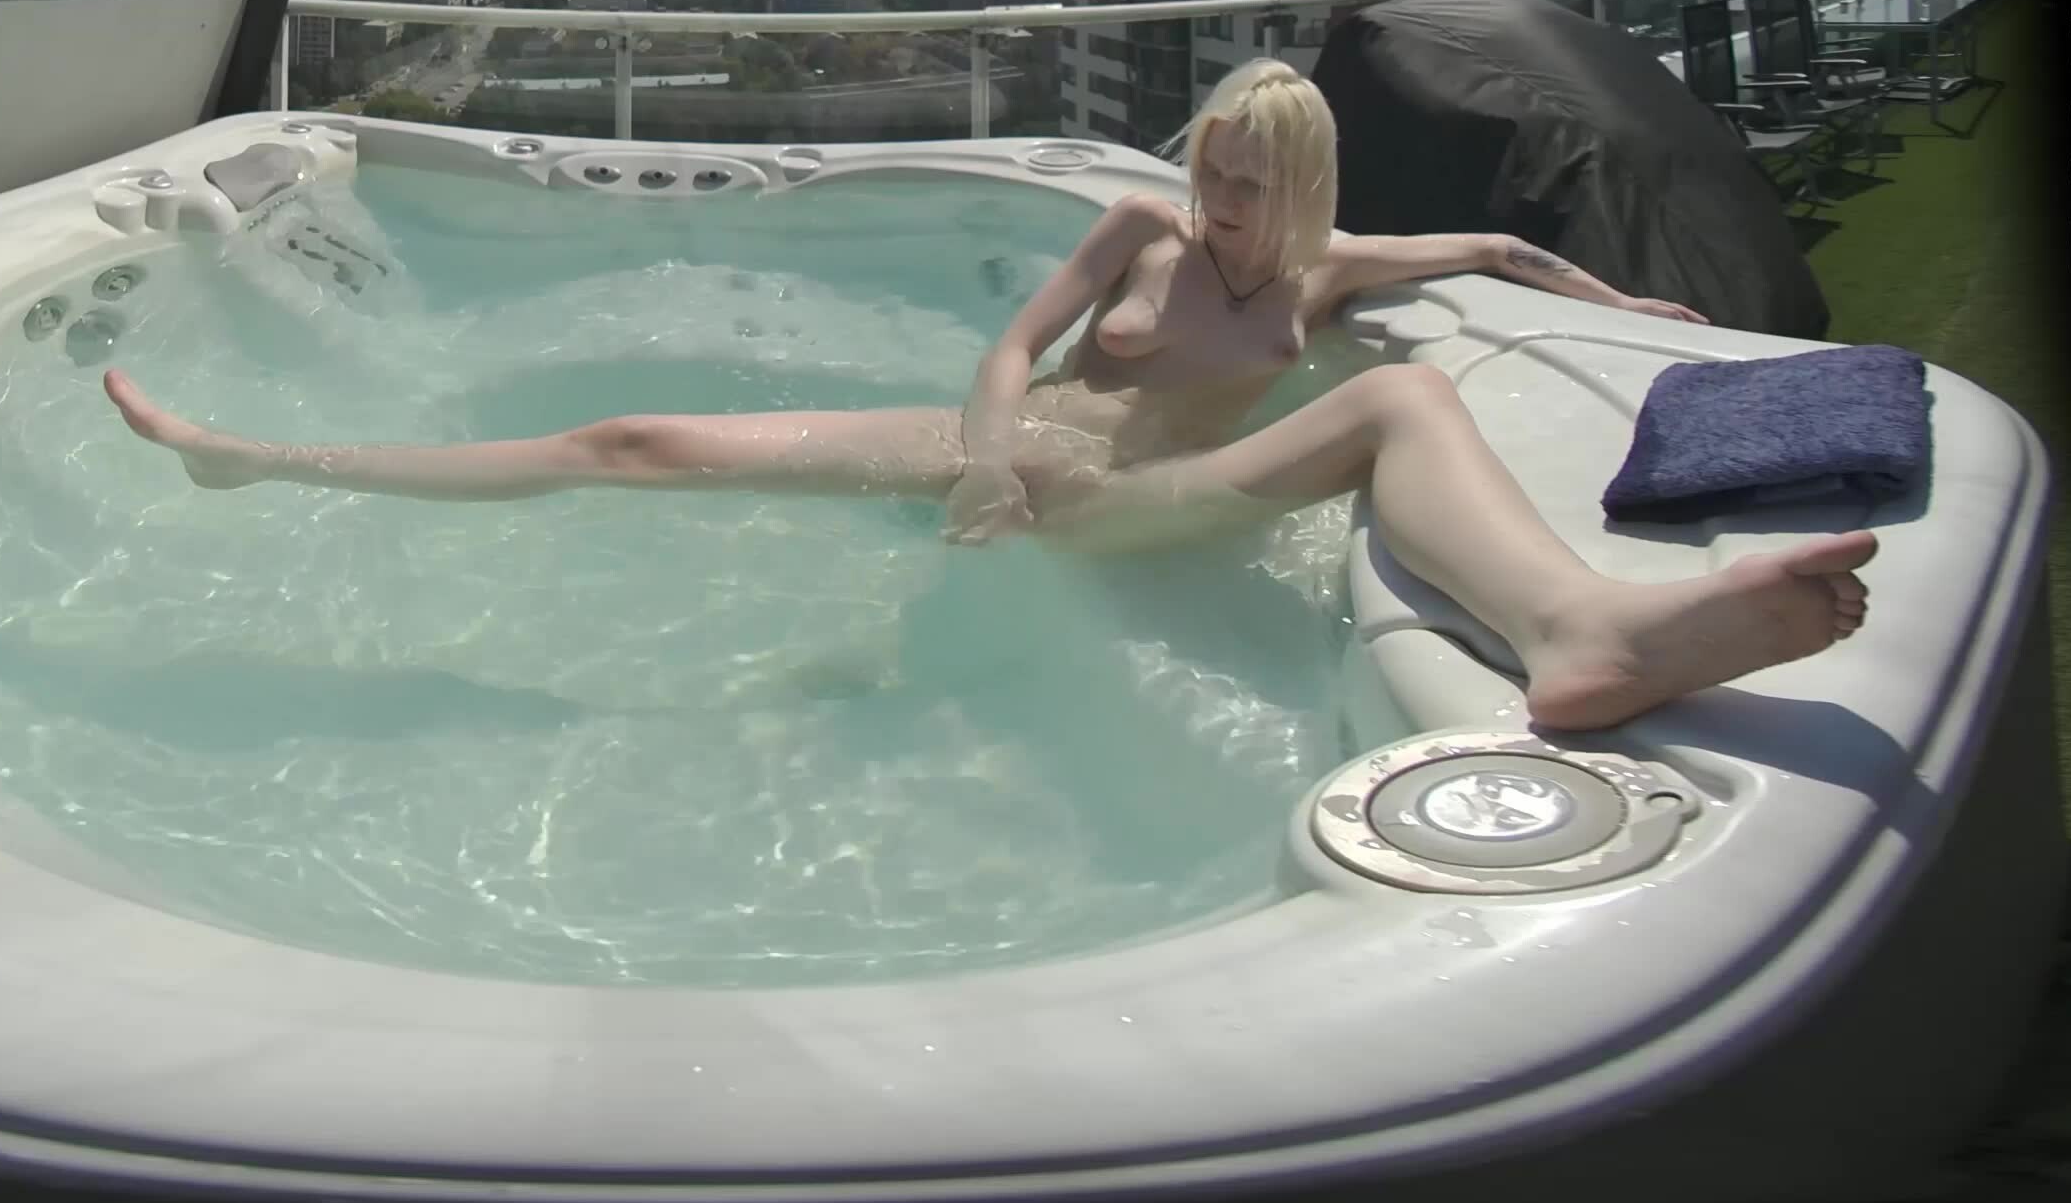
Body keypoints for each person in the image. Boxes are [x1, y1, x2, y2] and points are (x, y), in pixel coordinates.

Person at [99, 57, 1871, 731]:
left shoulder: (1331, 277)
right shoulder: (1136, 228)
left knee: (1406, 410)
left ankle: (1580, 629)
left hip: (1140, 507)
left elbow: (1496, 248)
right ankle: (261, 458)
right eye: (1211, 168)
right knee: (632, 440)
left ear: (1306, 186)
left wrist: (1622, 296)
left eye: (1249, 183)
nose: (1218, 202)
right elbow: (1015, 350)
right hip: (999, 456)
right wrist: (992, 458)